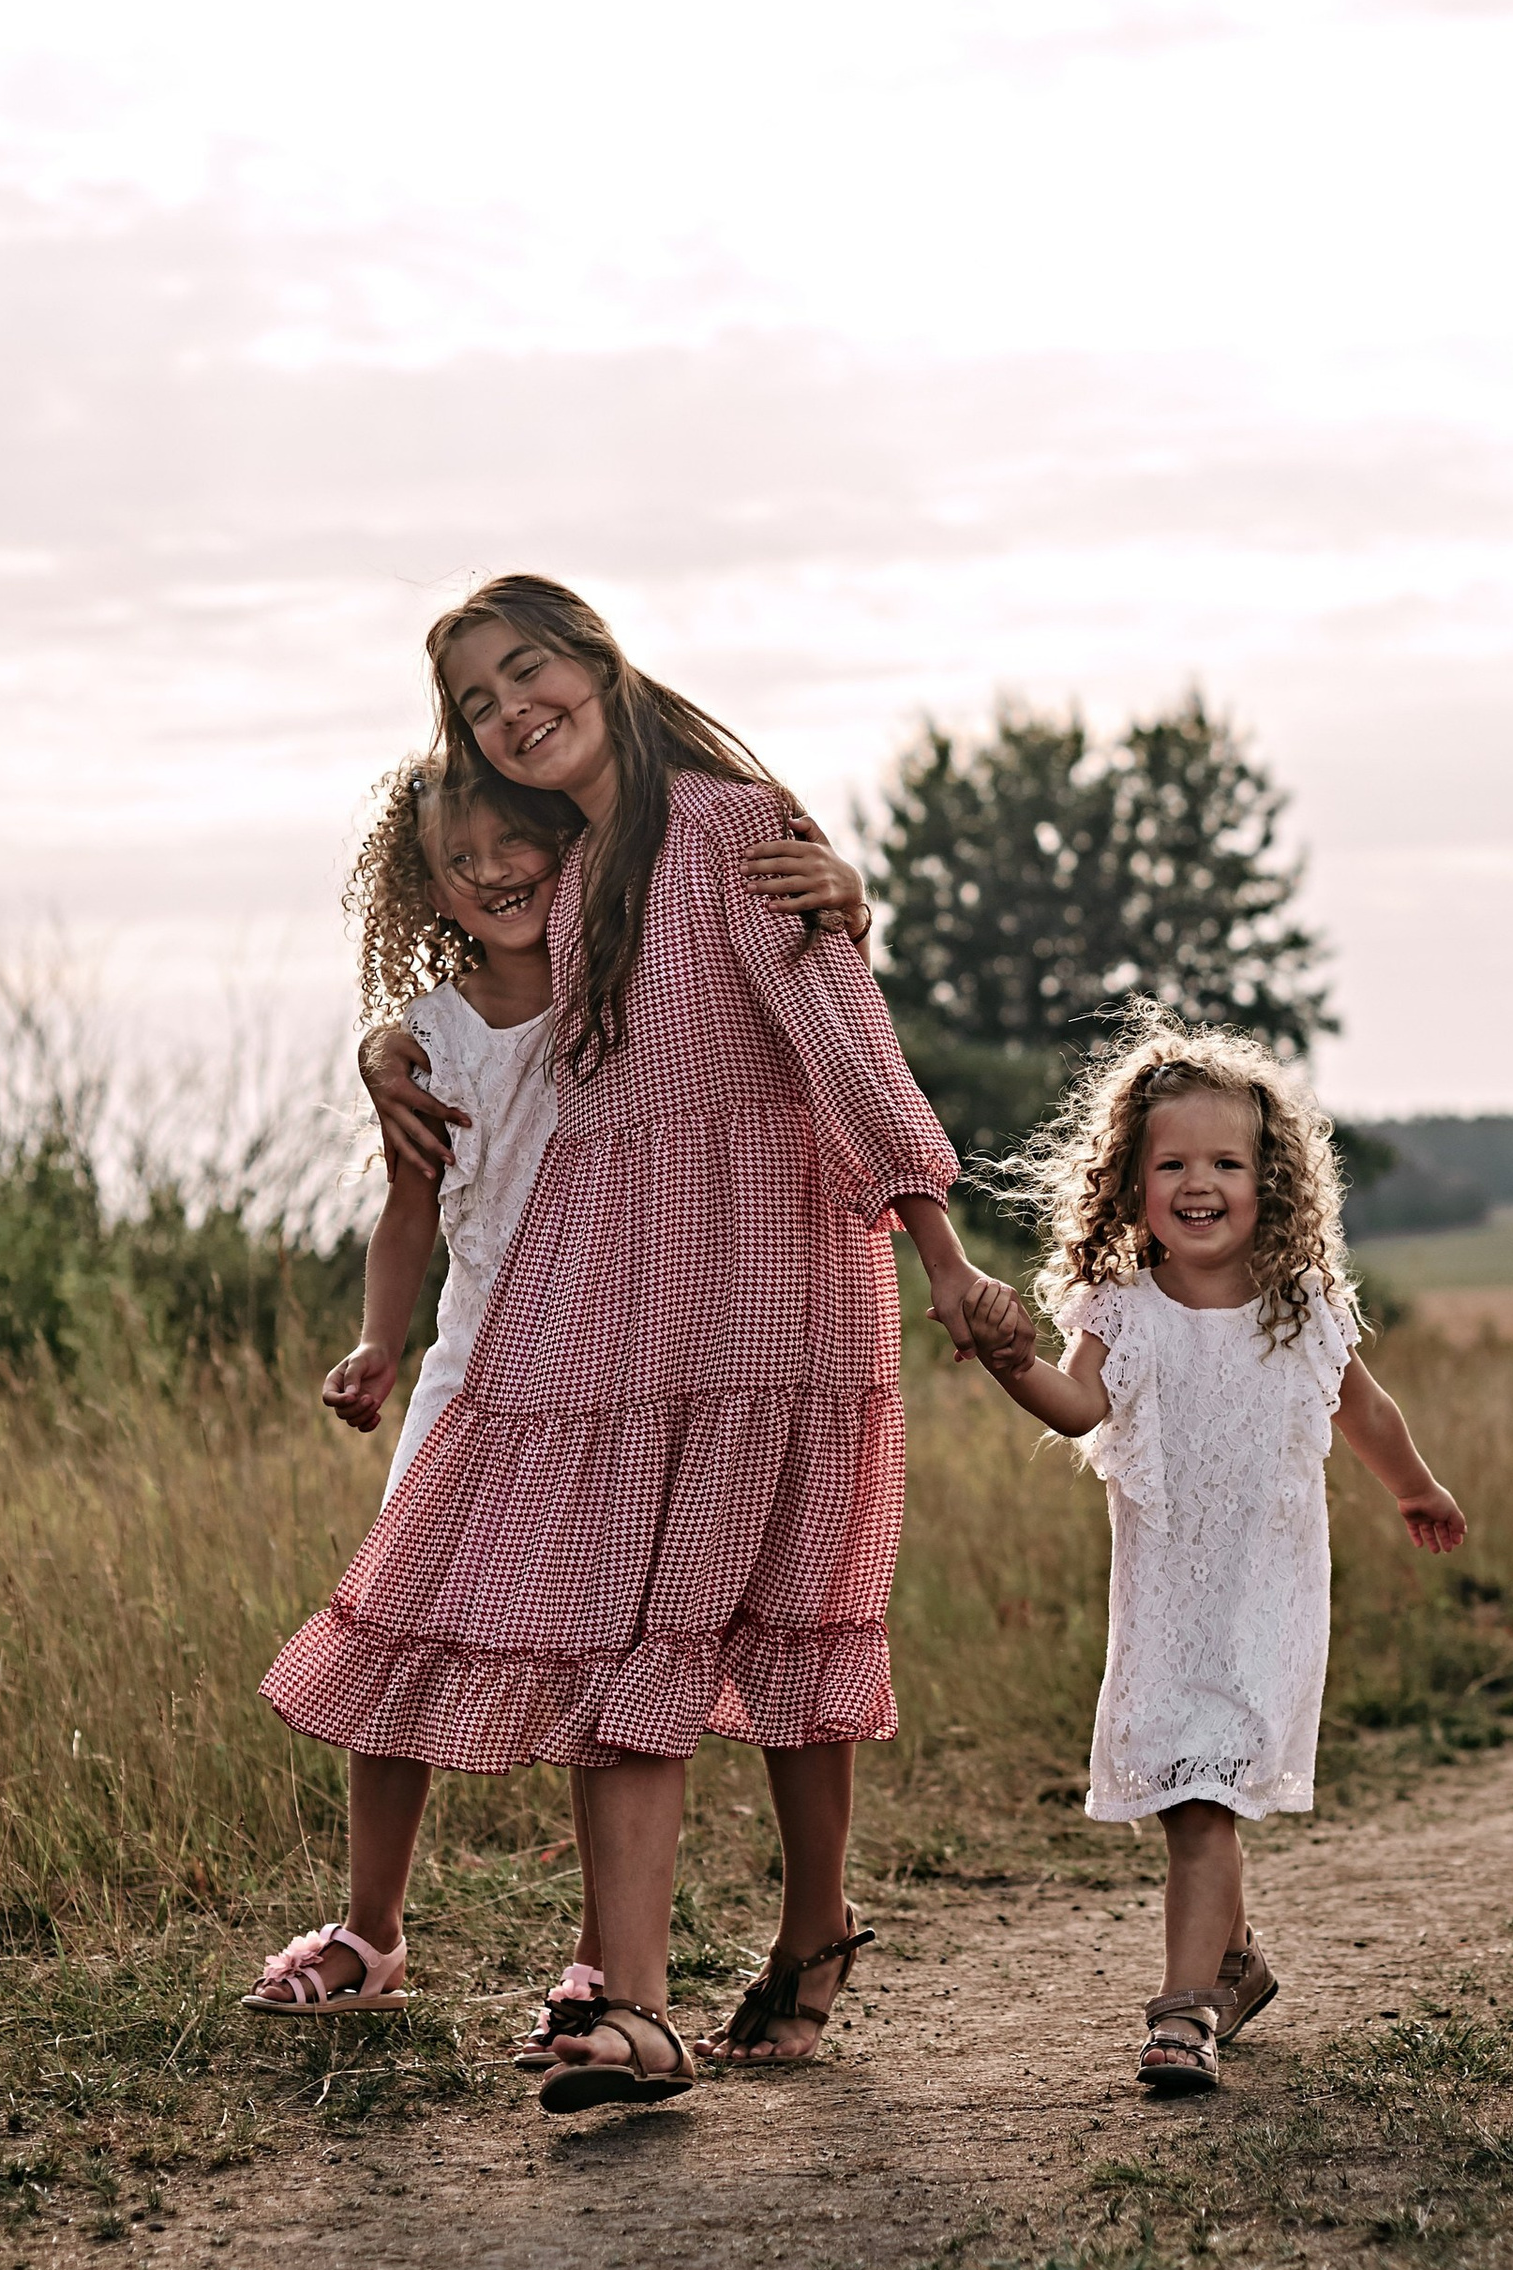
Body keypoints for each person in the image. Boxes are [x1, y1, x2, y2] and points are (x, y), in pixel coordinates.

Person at [261, 574, 1027, 2104]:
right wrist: (384, 1038)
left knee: (791, 1609)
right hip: (612, 1274)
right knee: (624, 1608)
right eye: (474, 701)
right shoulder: (567, 859)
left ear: (601, 661)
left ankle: (814, 1927)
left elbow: (842, 1035)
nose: (505, 710)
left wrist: (938, 1244)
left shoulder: (736, 826)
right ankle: (635, 2003)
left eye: (524, 670)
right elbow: (492, 1020)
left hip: (769, 1262)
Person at [241, 748, 864, 2020]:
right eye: (456, 866)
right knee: (400, 1622)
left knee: (610, 1650)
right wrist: (377, 1339)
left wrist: (848, 894)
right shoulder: (434, 1036)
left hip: (633, 1356)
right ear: (426, 892)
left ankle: (604, 1958)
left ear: (571, 846)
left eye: (507, 847)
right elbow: (408, 1210)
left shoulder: (628, 986)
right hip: (481, 1362)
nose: (489, 877)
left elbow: (776, 981)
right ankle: (371, 1930)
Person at [978, 1014, 1467, 2096]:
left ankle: (1183, 2012)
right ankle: (1234, 1964)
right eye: (1172, 1164)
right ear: (1130, 1182)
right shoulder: (1121, 1307)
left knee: (1203, 1801)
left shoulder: (1300, 1308)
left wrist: (1414, 1486)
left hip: (1264, 1596)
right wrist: (1011, 1358)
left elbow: (1366, 1409)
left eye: (1226, 1162)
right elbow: (1074, 1405)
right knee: (1191, 1793)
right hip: (1165, 1599)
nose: (1199, 1184)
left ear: (1272, 1181)